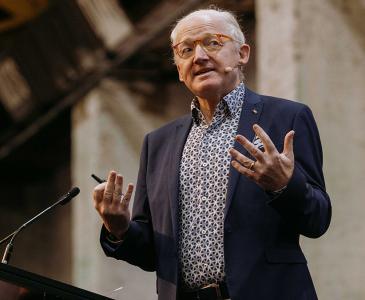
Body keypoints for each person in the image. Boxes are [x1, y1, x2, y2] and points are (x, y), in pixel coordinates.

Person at [93, 7, 331, 300]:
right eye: (186, 50)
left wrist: (283, 185)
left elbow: (318, 219)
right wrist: (120, 228)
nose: (200, 56)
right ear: (179, 69)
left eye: (213, 43)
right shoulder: (158, 143)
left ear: (242, 53)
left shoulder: (286, 118)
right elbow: (155, 255)